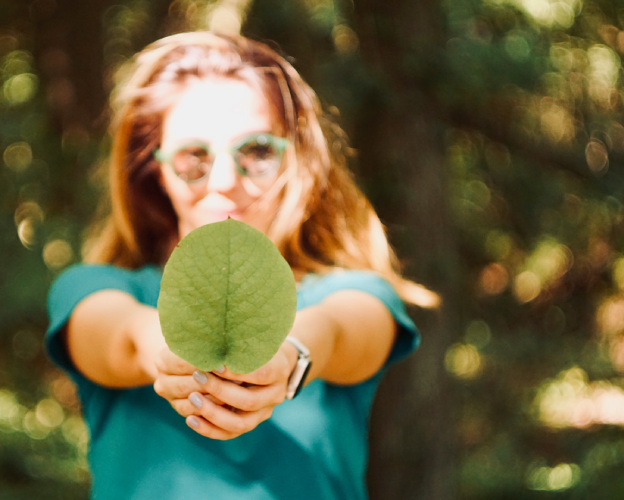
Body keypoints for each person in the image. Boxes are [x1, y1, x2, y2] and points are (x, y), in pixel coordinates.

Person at [45, 31, 438, 500]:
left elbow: (338, 332)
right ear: (156, 170)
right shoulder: (92, 288)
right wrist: (172, 354)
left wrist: (288, 356)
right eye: (195, 156)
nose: (226, 180)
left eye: (256, 151)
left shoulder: (356, 294)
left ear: (296, 159)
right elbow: (121, 338)